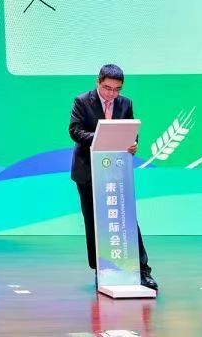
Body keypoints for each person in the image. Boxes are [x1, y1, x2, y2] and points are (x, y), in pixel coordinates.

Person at [68, 63, 157, 291]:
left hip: (116, 172)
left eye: (117, 89)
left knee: (127, 220)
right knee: (94, 221)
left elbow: (130, 131)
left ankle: (142, 270)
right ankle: (102, 270)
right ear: (98, 82)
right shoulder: (82, 101)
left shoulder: (125, 103)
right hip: (88, 171)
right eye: (107, 88)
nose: (112, 94)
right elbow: (75, 131)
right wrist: (102, 137)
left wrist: (133, 143)